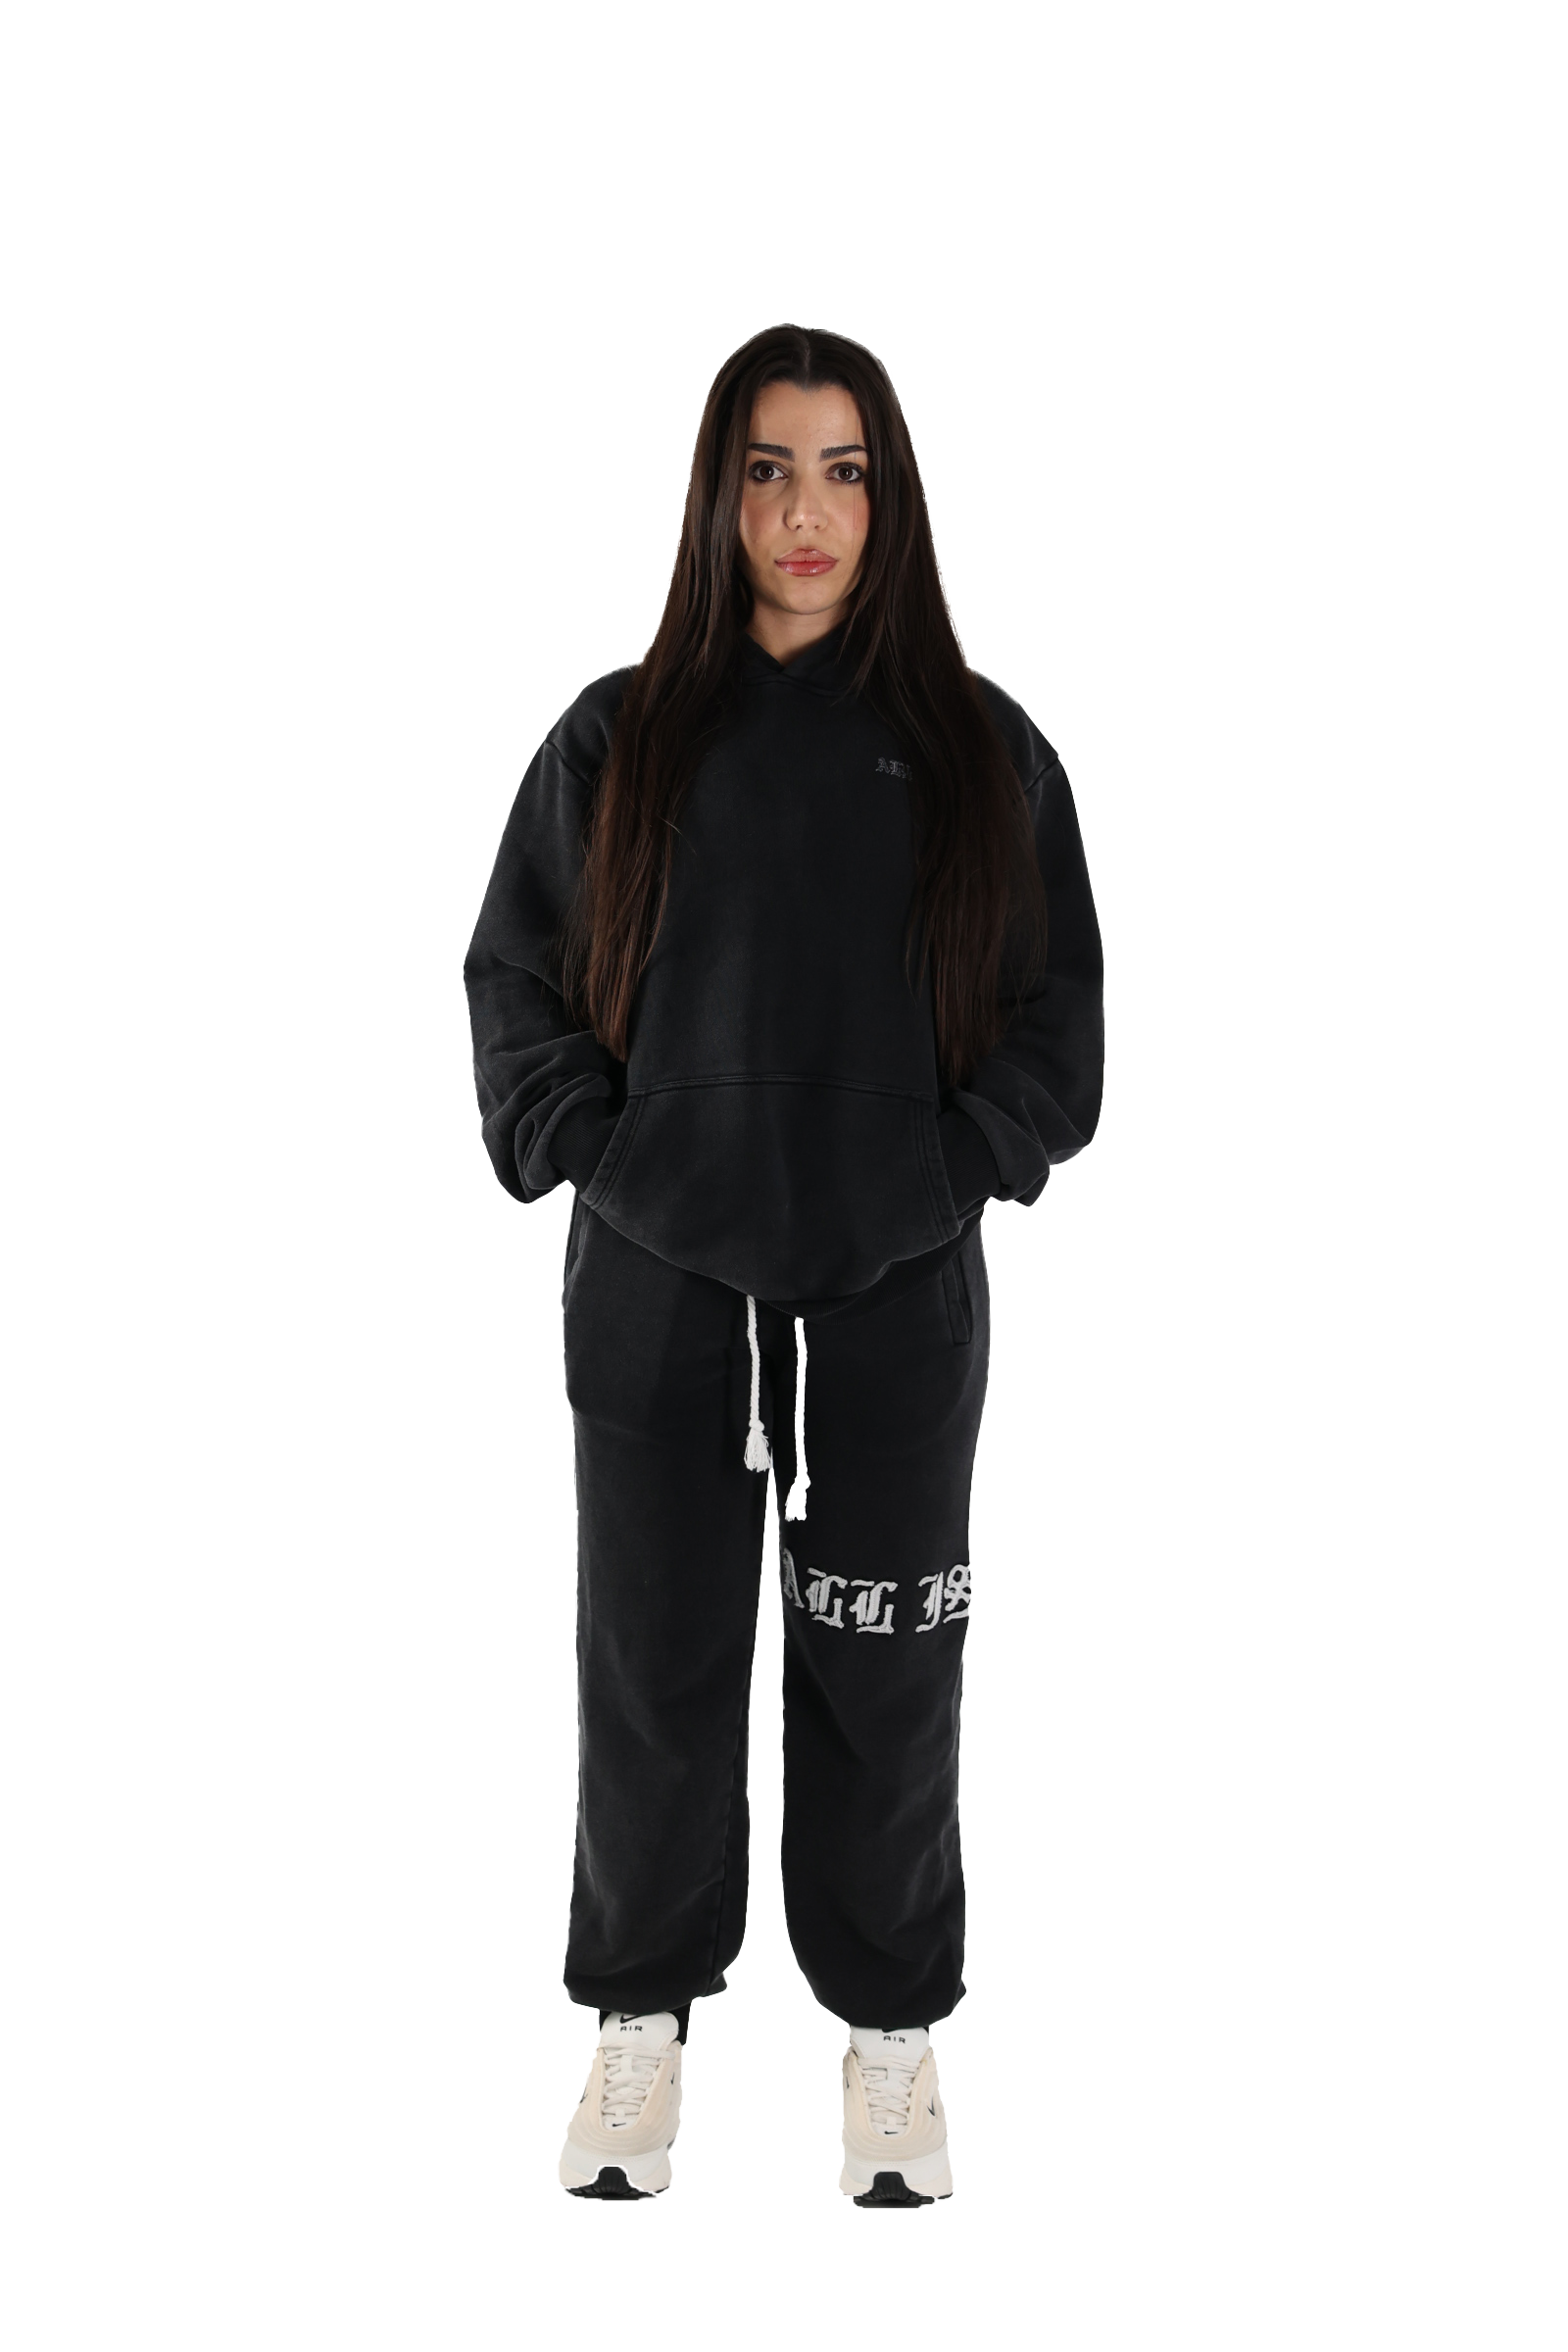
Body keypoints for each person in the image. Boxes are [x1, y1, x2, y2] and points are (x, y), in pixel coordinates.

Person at [465, 323, 1103, 2205]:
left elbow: (1056, 1016)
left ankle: (890, 2032)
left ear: (890, 498)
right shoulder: (621, 737)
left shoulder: (979, 748)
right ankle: (638, 2019)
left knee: (887, 1676)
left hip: (893, 1300)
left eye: (842, 470)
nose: (803, 513)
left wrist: (948, 1168)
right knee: (653, 1668)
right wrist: (607, 1154)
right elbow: (513, 983)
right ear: (715, 495)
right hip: (660, 1295)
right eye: (766, 469)